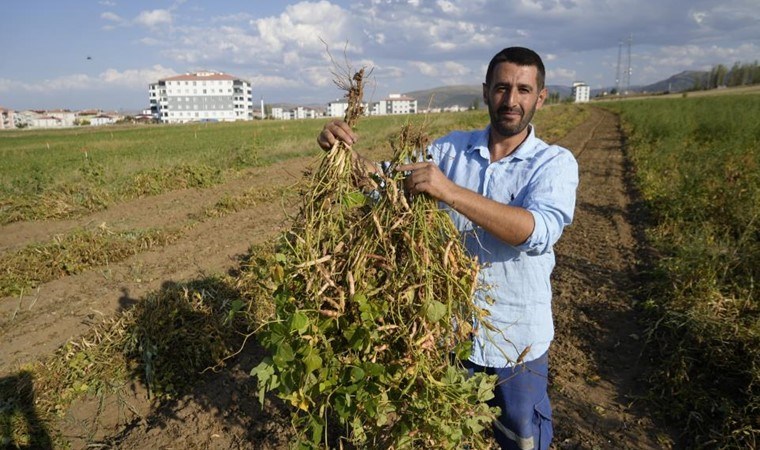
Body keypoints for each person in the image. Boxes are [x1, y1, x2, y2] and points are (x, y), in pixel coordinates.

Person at [317, 46, 578, 450]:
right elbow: (387, 185)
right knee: (445, 435)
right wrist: (343, 154)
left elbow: (536, 231)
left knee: (521, 437)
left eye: (524, 90)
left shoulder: (554, 163)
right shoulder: (450, 150)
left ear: (540, 97)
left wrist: (451, 192)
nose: (511, 100)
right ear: (486, 91)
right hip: (449, 337)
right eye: (502, 88)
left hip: (517, 342)